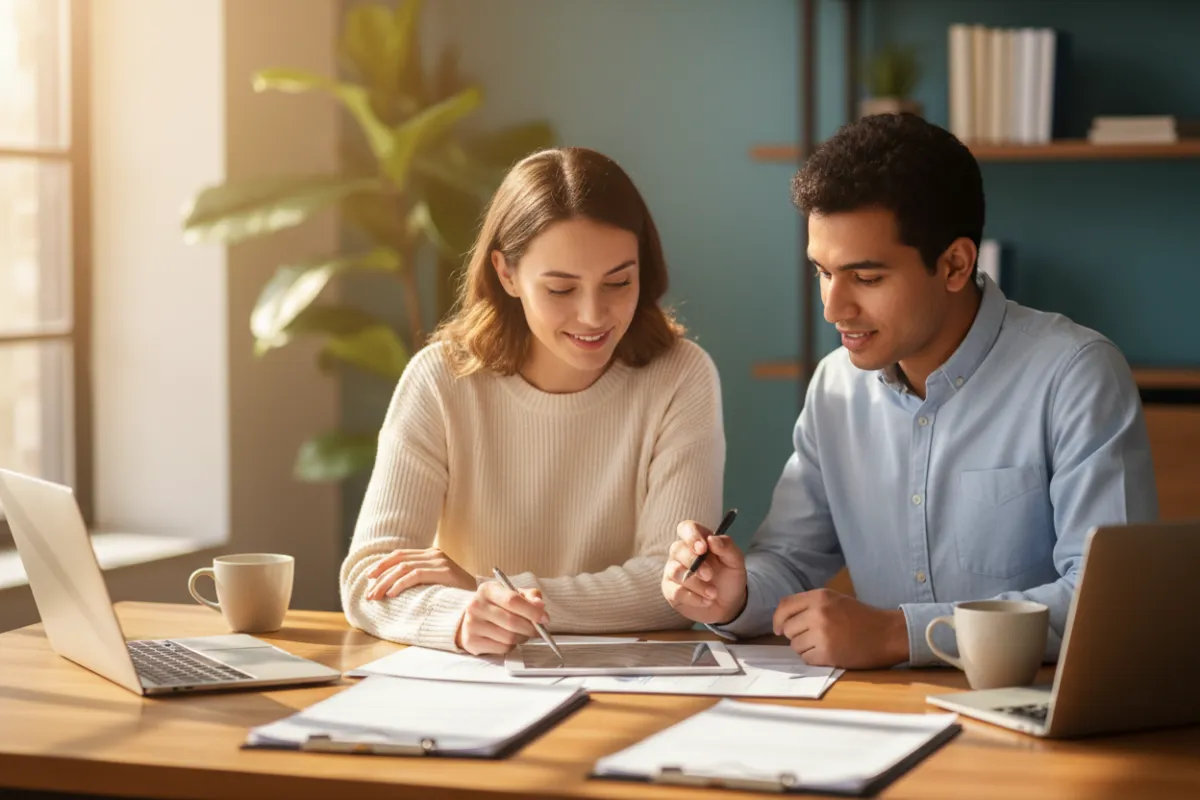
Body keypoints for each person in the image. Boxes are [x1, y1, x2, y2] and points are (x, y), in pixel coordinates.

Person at [661, 113, 1158, 669]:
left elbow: (1106, 602)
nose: (833, 307)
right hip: (886, 718)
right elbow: (790, 561)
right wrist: (735, 595)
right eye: (823, 272)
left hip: (1034, 722)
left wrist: (900, 634)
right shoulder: (835, 388)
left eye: (866, 278)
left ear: (954, 264)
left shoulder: (1076, 376)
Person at [341, 147, 725, 654]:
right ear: (506, 274)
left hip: (632, 680)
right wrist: (464, 617)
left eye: (619, 282)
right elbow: (370, 577)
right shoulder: (440, 380)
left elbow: (673, 587)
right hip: (478, 684)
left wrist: (489, 590)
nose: (594, 315)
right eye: (561, 289)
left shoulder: (680, 376)